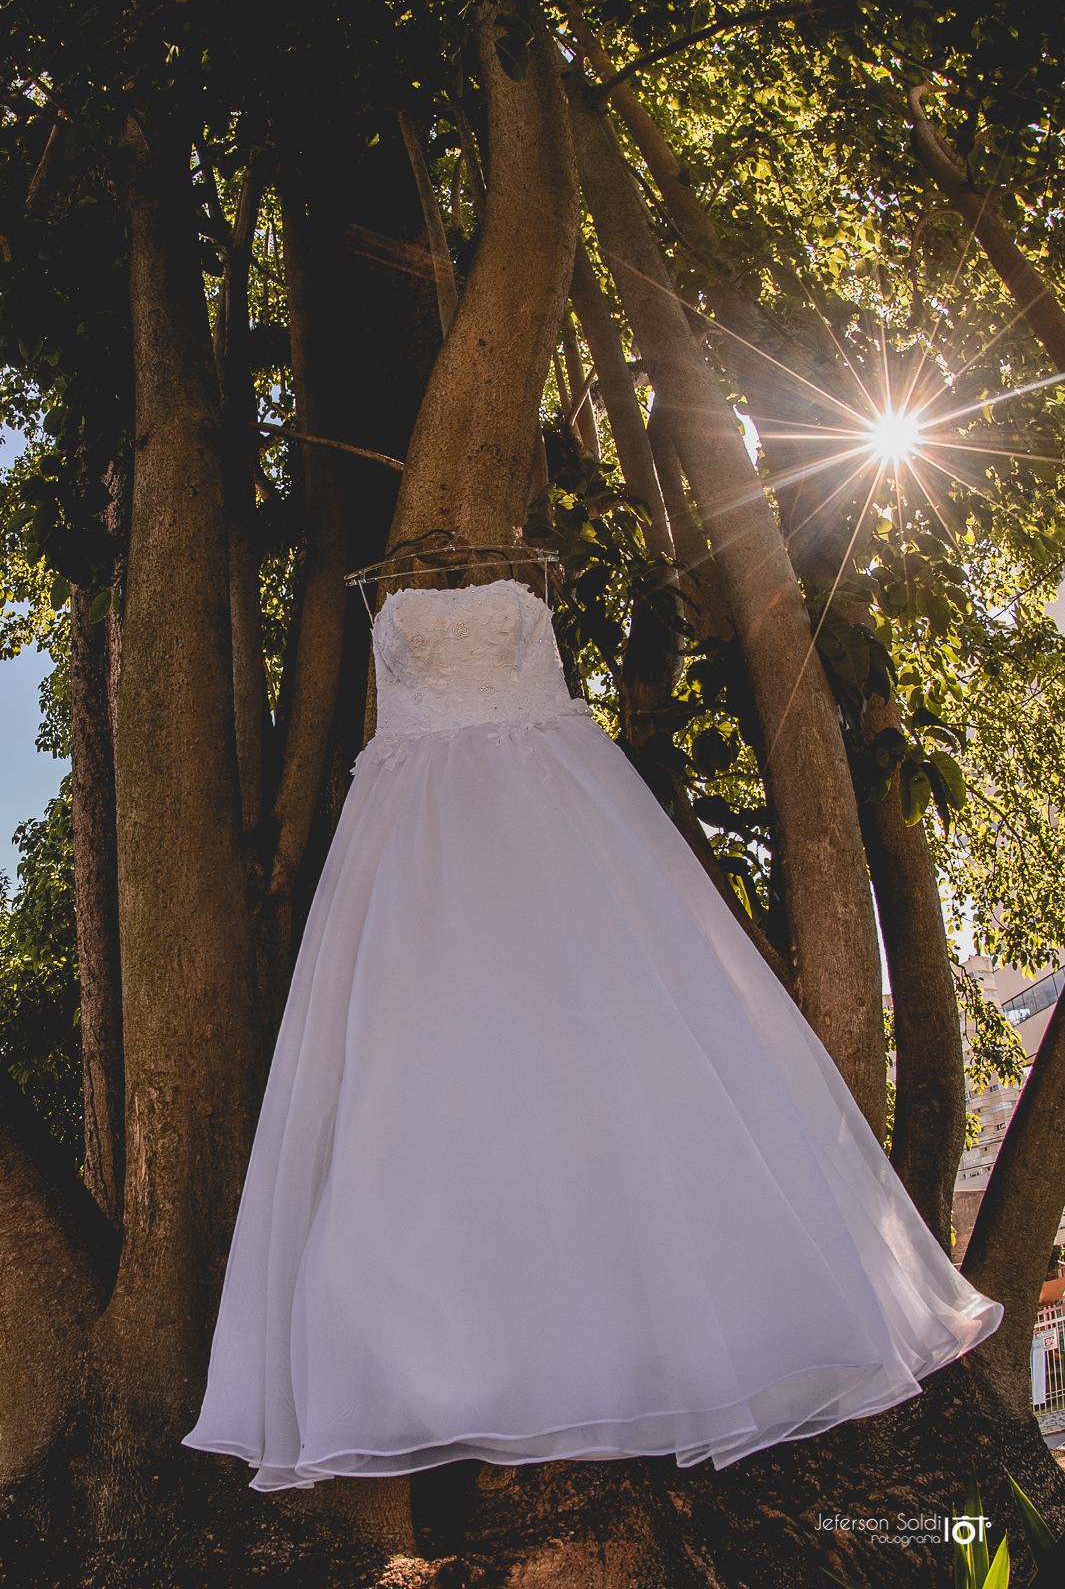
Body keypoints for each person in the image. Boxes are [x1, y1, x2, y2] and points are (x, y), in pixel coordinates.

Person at [182, 557, 1002, 1491]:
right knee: (414, 1075)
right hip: (414, 832)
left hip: (560, 812)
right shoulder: (371, 587)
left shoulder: (530, 569)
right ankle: (459, 1359)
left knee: (622, 1054)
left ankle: (665, 1338)